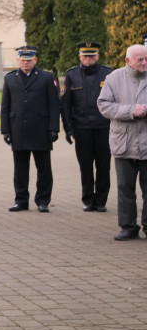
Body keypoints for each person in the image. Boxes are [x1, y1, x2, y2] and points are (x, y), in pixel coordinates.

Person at [0, 46, 60, 213]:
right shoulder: (10, 78)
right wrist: (5, 130)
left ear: (35, 60)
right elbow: (5, 106)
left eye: (29, 60)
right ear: (18, 60)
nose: (26, 63)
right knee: (20, 169)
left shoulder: (47, 77)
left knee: (44, 169)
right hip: (18, 129)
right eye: (23, 60)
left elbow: (54, 105)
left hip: (40, 129)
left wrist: (54, 128)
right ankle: (21, 200)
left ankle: (43, 200)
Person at [97, 44, 147, 241]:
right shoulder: (113, 78)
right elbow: (103, 105)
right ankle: (128, 226)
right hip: (123, 143)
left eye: (146, 59)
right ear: (128, 61)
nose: (144, 63)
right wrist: (130, 111)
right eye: (140, 60)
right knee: (125, 187)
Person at [61, 42, 113, 212]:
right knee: (85, 166)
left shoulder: (108, 74)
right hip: (81, 128)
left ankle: (101, 200)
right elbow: (66, 105)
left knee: (103, 166)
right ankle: (88, 199)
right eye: (85, 56)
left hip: (104, 127)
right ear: (80, 57)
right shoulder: (72, 75)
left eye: (92, 56)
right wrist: (68, 128)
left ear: (98, 56)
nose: (88, 59)